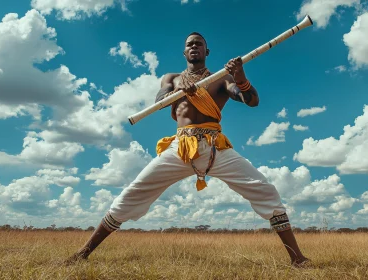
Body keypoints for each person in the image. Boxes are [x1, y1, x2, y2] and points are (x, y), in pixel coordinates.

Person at [67, 32, 309, 267]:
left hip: (215, 147)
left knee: (265, 191)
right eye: (190, 44)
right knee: (132, 194)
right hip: (180, 149)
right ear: (185, 51)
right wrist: (181, 92)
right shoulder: (171, 78)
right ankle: (83, 253)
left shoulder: (222, 78)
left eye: (199, 44)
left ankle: (297, 258)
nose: (194, 47)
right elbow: (159, 101)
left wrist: (241, 77)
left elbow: (251, 100)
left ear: (207, 51)